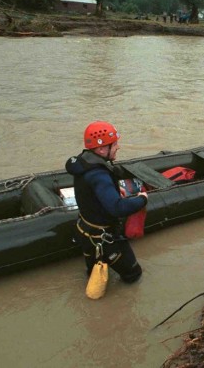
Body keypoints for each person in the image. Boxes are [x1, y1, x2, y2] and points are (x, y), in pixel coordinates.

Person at [66, 121, 148, 284]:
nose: (118, 147)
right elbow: (117, 208)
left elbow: (93, 195)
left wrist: (115, 192)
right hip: (105, 239)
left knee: (92, 273)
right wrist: (142, 199)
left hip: (85, 231)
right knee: (134, 275)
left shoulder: (83, 162)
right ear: (102, 148)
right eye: (115, 144)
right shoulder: (99, 175)